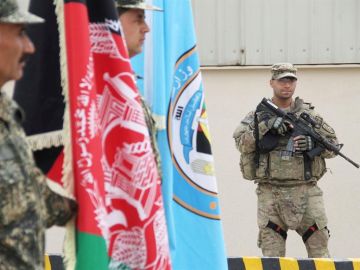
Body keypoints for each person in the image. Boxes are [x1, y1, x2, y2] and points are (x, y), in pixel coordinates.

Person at [233, 63, 339, 258]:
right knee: (272, 258)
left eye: (291, 80)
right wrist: (265, 125)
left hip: (307, 192)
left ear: (296, 84)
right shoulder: (257, 116)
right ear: (272, 82)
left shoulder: (309, 116)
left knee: (320, 254)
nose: (287, 85)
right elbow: (241, 144)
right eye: (282, 80)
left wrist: (312, 144)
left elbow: (333, 147)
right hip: (270, 195)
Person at [0, 0, 76, 269]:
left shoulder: (8, 114)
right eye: (20, 33)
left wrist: (84, 202)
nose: (31, 47)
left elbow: (31, 198)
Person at [115, 0, 162, 173]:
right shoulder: (97, 88)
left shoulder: (125, 81)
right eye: (138, 19)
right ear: (112, 21)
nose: (146, 28)